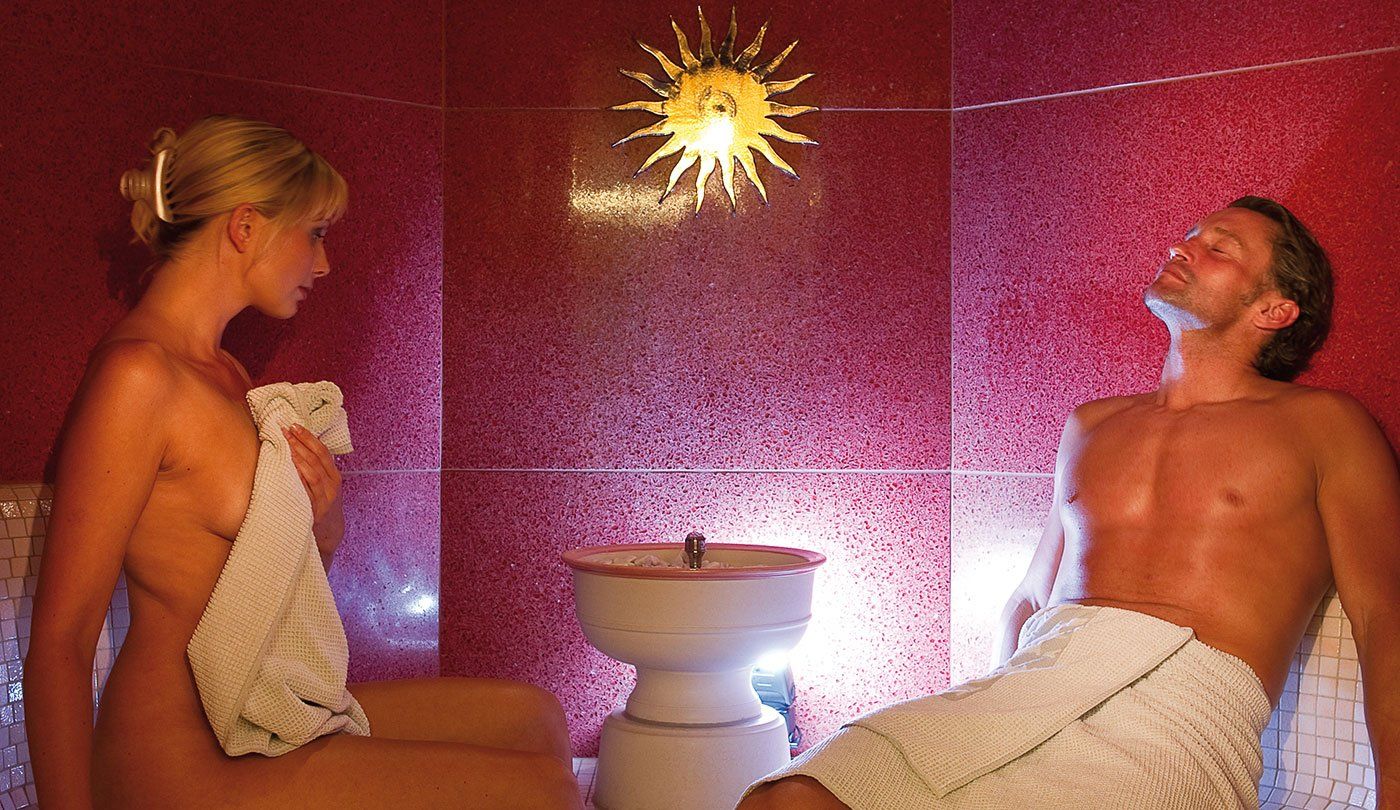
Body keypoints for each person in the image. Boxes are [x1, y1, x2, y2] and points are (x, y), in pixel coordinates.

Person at [740, 197, 1399, 809]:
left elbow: (1383, 619)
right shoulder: (1093, 424)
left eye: (1219, 248)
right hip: (1032, 687)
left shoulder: (1324, 425)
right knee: (787, 797)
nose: (1184, 247)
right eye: (1191, 235)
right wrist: (996, 712)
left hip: (1174, 721)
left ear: (1275, 310)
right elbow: (1032, 597)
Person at [24, 115, 582, 809]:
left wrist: (322, 528)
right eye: (315, 233)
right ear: (245, 227)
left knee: (533, 721)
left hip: (258, 723)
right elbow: (61, 638)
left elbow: (251, 586)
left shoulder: (228, 376)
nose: (324, 264)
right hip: (178, 759)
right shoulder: (137, 377)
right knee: (543, 793)